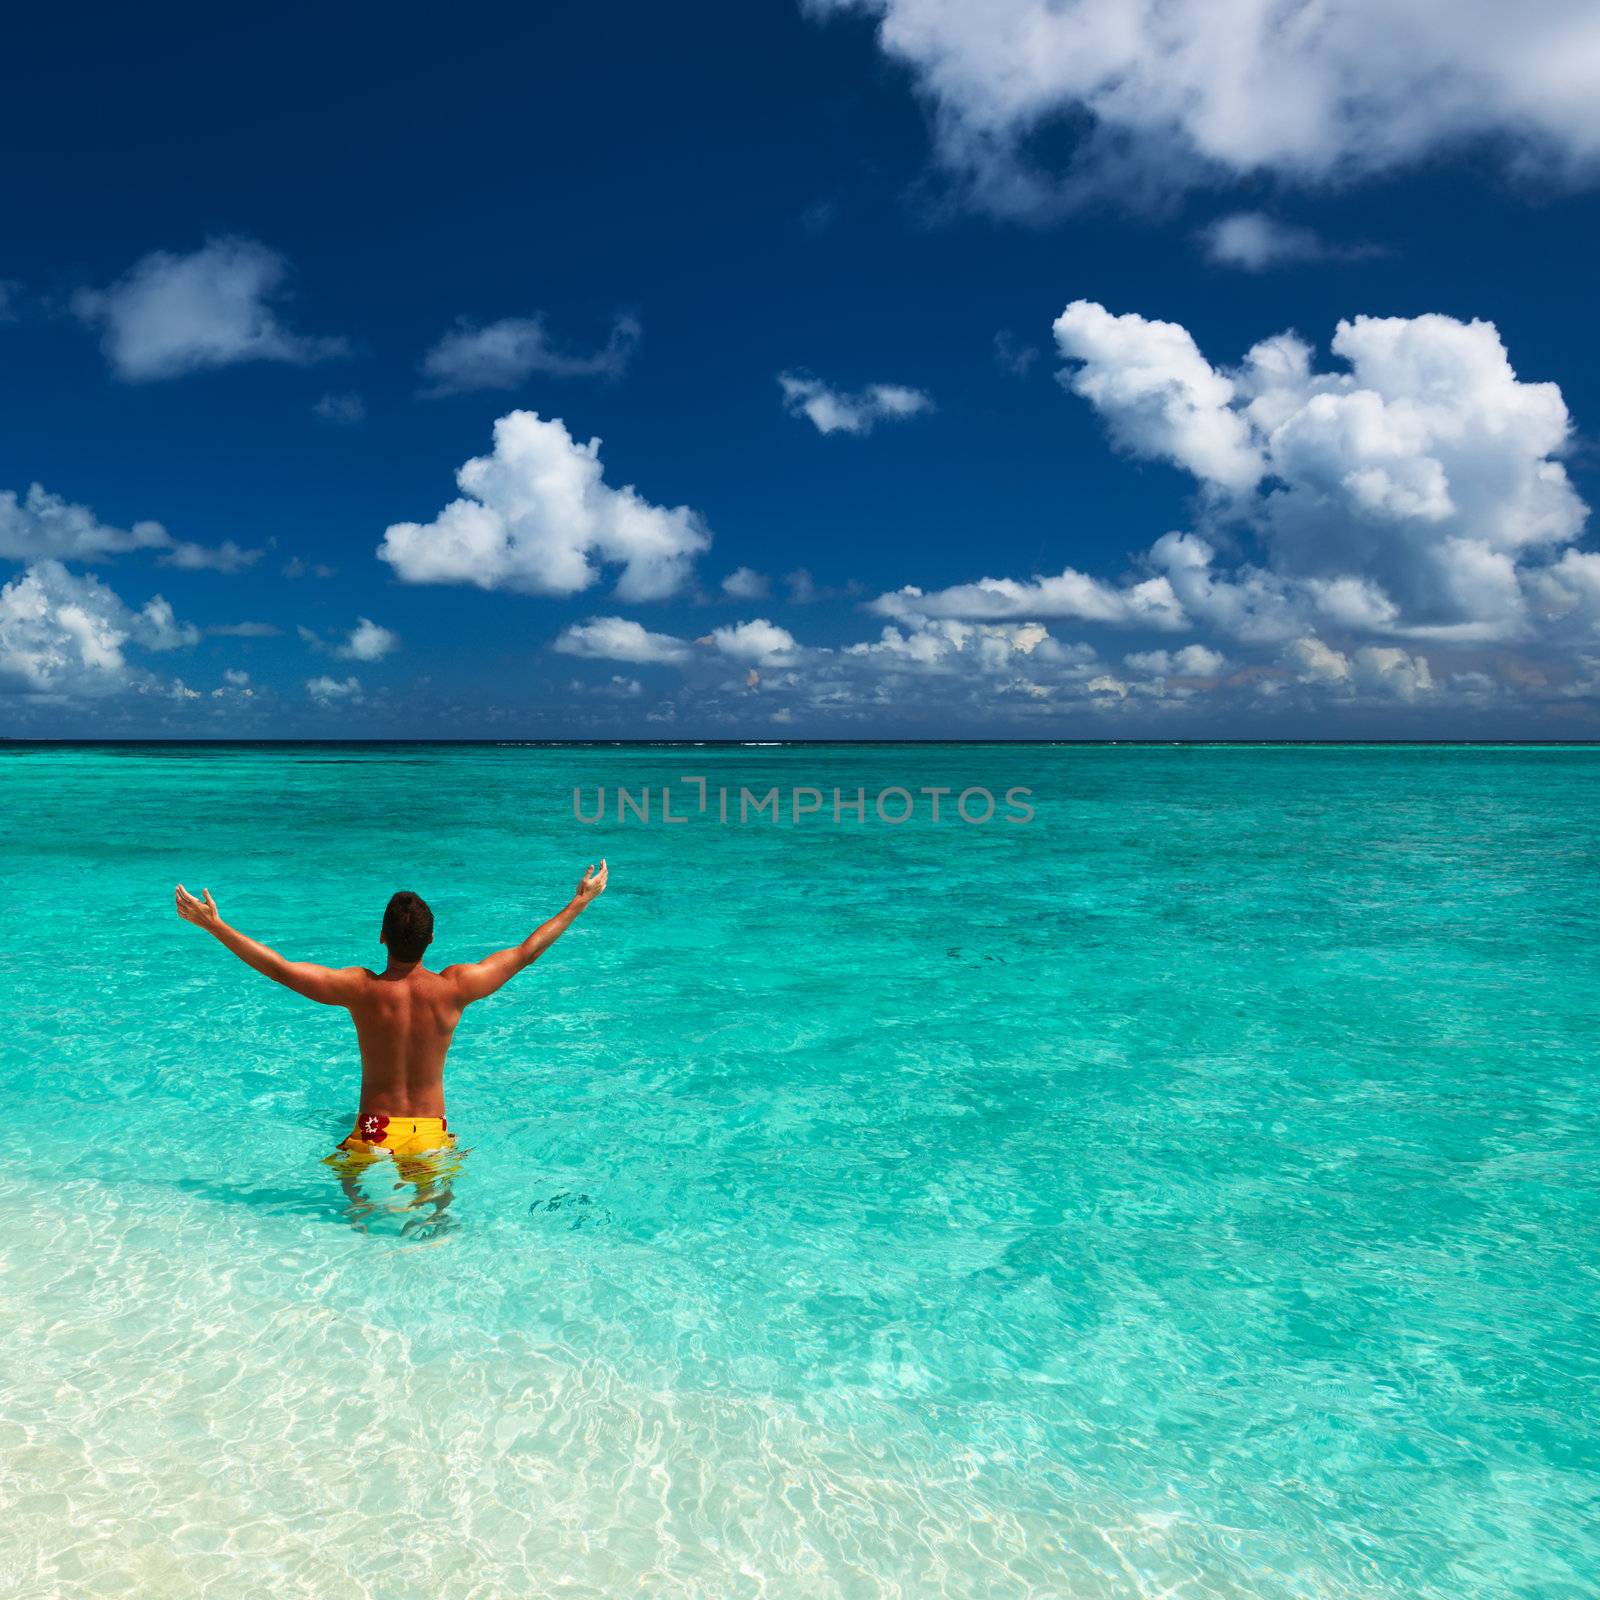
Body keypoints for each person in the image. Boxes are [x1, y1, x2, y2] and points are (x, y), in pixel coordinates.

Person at [173, 863, 609, 1181]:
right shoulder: (455, 987)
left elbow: (281, 969)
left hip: (372, 1130)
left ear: (382, 937)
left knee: (358, 1221)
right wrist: (580, 901)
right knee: (434, 1223)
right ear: (431, 940)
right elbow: (526, 952)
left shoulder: (361, 989)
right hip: (430, 1131)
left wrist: (215, 925)